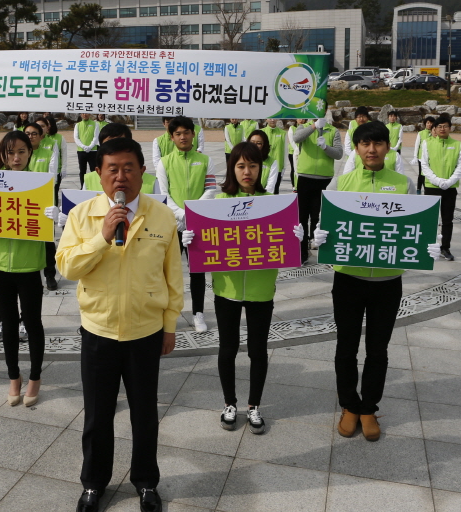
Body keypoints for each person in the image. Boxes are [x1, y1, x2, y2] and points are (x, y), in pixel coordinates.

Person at [56, 137, 183, 512]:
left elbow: (173, 276)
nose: (121, 177)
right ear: (99, 174)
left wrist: (170, 324)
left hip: (145, 332)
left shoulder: (161, 216)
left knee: (145, 414)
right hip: (99, 332)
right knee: (98, 416)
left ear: (143, 172)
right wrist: (102, 236)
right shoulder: (83, 216)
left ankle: (145, 482)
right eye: (112, 169)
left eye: (129, 168)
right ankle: (94, 483)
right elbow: (67, 266)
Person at [312, 121, 441, 441]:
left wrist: (430, 243)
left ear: (388, 146)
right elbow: (324, 224)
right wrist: (319, 236)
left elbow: (417, 225)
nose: (372, 149)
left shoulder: (403, 184)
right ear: (356, 148)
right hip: (348, 279)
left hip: (387, 281)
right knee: (346, 346)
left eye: (378, 143)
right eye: (365, 144)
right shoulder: (340, 185)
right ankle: (349, 405)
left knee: (378, 348)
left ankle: (368, 407)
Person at [182, 142, 306, 435]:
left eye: (252, 165)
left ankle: (253, 405)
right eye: (240, 166)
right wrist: (192, 242)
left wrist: (296, 239)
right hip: (226, 290)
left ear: (260, 168)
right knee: (227, 349)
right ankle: (229, 403)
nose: (247, 172)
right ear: (231, 169)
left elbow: (287, 253)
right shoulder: (218, 202)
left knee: (258, 350)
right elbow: (206, 244)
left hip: (262, 290)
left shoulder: (272, 203)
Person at [0, 130, 58, 407]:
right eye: (9, 152)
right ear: (2, 155)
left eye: (21, 152)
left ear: (30, 153)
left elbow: (51, 225)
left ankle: (35, 377)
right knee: (7, 324)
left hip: (29, 266)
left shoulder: (40, 184)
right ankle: (13, 377)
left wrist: (55, 217)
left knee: (32, 323)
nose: (15, 158)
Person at [156, 115, 218, 333]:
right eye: (178, 134)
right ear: (171, 137)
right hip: (173, 225)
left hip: (197, 225)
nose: (183, 137)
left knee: (198, 272)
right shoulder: (164, 163)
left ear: (194, 134)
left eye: (186, 132)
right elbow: (164, 194)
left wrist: (194, 213)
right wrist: (181, 214)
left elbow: (211, 189)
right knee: (168, 272)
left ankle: (198, 313)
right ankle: (165, 313)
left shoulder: (205, 160)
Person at [292, 117, 343, 263]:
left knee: (319, 217)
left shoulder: (333, 131)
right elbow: (296, 138)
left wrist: (326, 147)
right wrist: (314, 126)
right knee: (302, 217)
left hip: (324, 179)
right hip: (305, 178)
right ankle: (302, 252)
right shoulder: (304, 127)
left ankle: (321, 250)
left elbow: (339, 154)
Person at [420, 114, 461, 261]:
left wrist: (450, 181)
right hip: (432, 186)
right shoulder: (427, 143)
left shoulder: (459, 145)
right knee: (430, 219)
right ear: (434, 128)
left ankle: (445, 248)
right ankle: (427, 247)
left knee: (447, 220)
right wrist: (437, 180)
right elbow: (424, 164)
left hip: (450, 188)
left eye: (445, 126)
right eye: (439, 126)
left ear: (450, 128)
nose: (442, 129)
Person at [24, 122, 61, 291]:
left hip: (44, 201)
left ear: (41, 136)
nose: (30, 136)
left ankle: (50, 274)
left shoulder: (49, 152)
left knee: (46, 239)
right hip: (24, 202)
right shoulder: (20, 153)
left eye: (34, 134)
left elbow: (52, 177)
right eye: (27, 133)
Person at [81, 123, 159, 193]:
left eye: (120, 143)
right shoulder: (89, 180)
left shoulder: (152, 182)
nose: (120, 177)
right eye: (109, 144)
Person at [36, 116, 66, 207]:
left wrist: (63, 169)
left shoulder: (55, 141)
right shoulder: (31, 141)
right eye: (38, 126)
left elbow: (62, 155)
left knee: (52, 195)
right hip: (34, 175)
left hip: (51, 174)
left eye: (43, 125)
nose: (41, 128)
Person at [260, 119, 287, 194]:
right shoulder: (261, 132)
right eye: (270, 118)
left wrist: (284, 167)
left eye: (274, 118)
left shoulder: (283, 133)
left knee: (275, 191)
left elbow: (285, 151)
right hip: (263, 166)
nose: (272, 120)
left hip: (277, 167)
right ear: (266, 119)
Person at [412, 116, 436, 195]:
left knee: (428, 173)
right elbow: (417, 145)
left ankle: (427, 188)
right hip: (421, 157)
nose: (429, 124)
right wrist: (415, 156)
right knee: (421, 173)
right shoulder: (421, 133)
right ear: (425, 124)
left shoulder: (435, 133)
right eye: (428, 123)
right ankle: (419, 189)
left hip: (431, 157)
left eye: (431, 123)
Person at [74, 113, 101, 177]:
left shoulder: (95, 124)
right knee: (82, 170)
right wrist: (83, 146)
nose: (84, 114)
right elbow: (76, 138)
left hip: (93, 151)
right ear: (80, 114)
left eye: (86, 113)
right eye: (83, 113)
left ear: (89, 114)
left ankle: (94, 186)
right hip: (81, 151)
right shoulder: (78, 125)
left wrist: (90, 147)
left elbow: (96, 137)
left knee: (93, 170)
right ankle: (82, 186)